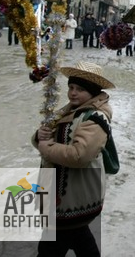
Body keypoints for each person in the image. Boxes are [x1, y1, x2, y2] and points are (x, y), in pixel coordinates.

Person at [32, 61, 115, 256]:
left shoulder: (95, 117)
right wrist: (39, 136)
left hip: (74, 196)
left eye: (80, 89)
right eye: (71, 87)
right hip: (63, 197)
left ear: (92, 92)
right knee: (79, 238)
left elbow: (81, 155)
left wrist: (47, 147)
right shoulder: (67, 110)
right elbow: (47, 140)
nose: (73, 93)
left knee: (50, 247)